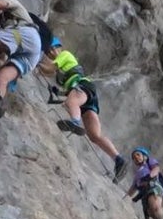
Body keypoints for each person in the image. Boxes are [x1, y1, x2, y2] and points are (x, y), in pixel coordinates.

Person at [40, 38, 128, 181]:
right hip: (86, 93)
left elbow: (49, 70)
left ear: (59, 47)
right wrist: (59, 92)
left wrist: (37, 63)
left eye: (52, 49)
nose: (51, 53)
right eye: (48, 52)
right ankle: (118, 159)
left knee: (70, 103)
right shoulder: (64, 65)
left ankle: (75, 121)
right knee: (94, 135)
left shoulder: (65, 55)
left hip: (82, 86)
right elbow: (69, 86)